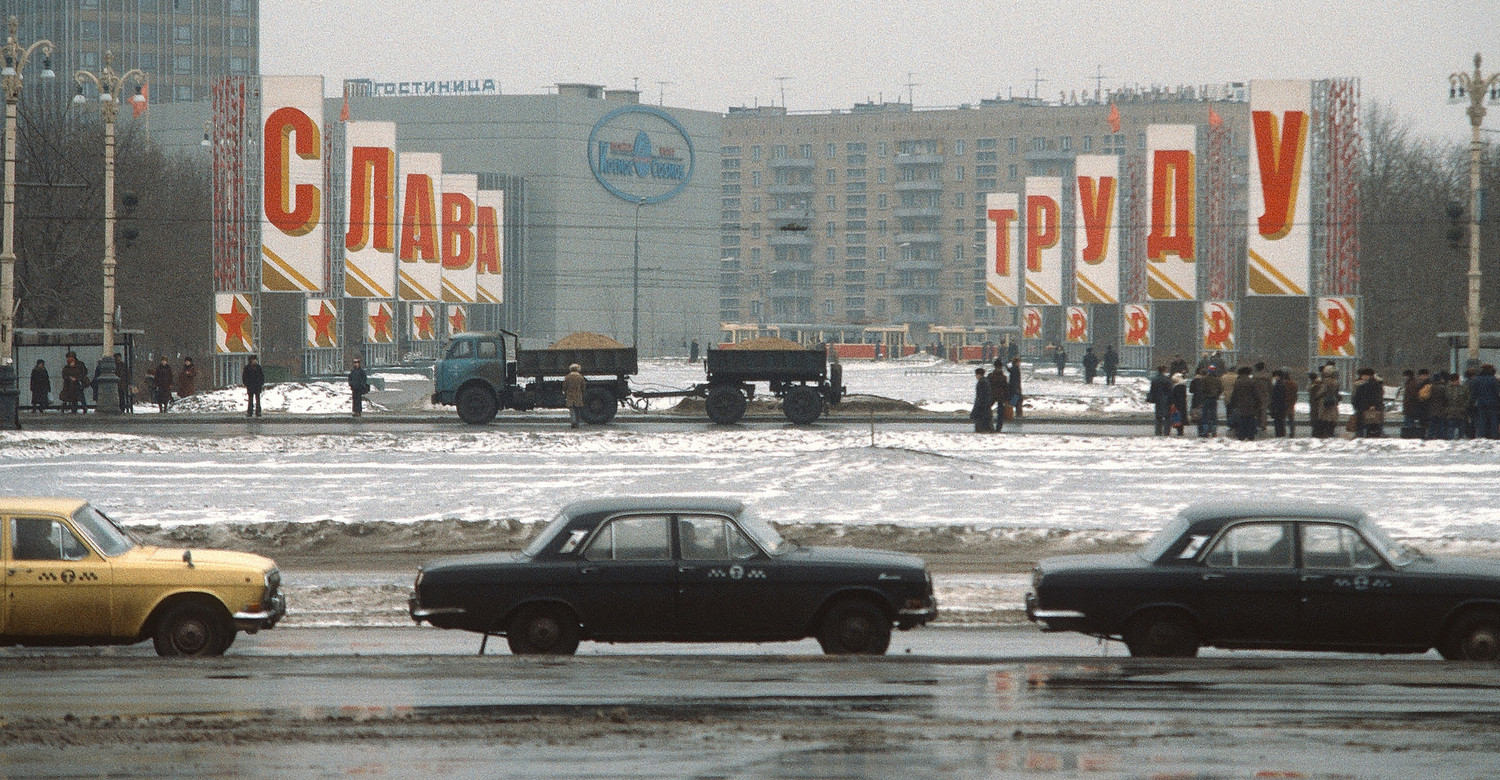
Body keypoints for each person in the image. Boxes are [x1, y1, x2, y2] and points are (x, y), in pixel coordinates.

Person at [1227, 366, 1263, 441]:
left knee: (1242, 421)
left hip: (1241, 404)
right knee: (1250, 420)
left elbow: (1234, 394)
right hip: (1251, 404)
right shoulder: (1252, 381)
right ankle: (1250, 436)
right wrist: (1258, 404)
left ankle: (1241, 436)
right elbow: (1256, 394)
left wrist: (1232, 404)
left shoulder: (1238, 382)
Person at [1351, 368, 1385, 438]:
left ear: (1368, 376)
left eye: (1363, 375)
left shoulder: (1371, 384)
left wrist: (1372, 405)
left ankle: (1364, 436)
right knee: (1372, 425)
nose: (1362, 377)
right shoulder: (1373, 384)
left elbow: (1375, 396)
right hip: (1366, 407)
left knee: (1368, 425)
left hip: (1368, 408)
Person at [1470, 364, 1500, 440]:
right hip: (1493, 404)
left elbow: (1473, 393)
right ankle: (1494, 437)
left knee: (1482, 421)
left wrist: (1471, 403)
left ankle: (1481, 437)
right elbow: (1497, 393)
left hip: (1481, 403)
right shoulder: (1494, 380)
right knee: (1493, 421)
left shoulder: (1476, 380)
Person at [1309, 368, 1340, 438]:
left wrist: (1317, 396)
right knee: (1332, 417)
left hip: (1324, 401)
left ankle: (1323, 433)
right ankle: (1331, 432)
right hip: (1333, 401)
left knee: (1323, 417)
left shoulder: (1324, 382)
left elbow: (1322, 391)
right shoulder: (1335, 382)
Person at [1444, 371, 1470, 440]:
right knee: (1453, 428)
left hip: (1457, 411)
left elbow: (1467, 398)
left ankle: (1456, 440)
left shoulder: (1448, 388)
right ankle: (1453, 440)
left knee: (1457, 428)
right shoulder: (1462, 388)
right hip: (1455, 412)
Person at [987, 359, 1011, 433]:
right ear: (1001, 367)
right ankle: (998, 428)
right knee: (1000, 413)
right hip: (1001, 395)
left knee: (987, 410)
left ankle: (989, 426)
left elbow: (987, 386)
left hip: (992, 395)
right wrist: (1007, 399)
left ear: (994, 366)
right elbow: (1006, 388)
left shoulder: (990, 376)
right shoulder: (1003, 377)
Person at [1147, 366, 1172, 436]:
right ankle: (1166, 432)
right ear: (1164, 371)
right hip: (1166, 399)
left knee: (1158, 416)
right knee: (1167, 416)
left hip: (1157, 399)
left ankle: (1158, 431)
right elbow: (1170, 391)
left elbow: (1152, 390)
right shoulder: (1167, 379)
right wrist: (1172, 401)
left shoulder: (1154, 379)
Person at [1198, 367, 1222, 437]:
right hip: (1214, 399)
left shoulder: (1204, 379)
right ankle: (1214, 432)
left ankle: (1205, 432)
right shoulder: (1217, 380)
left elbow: (1202, 390)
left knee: (1205, 415)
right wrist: (1217, 396)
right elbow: (1220, 389)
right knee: (1214, 415)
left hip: (1206, 399)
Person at [1426, 372, 1449, 440]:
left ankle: (1430, 436)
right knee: (1441, 424)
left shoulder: (1430, 388)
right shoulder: (1443, 388)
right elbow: (1446, 399)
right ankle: (1441, 437)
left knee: (1432, 425)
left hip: (1432, 409)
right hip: (1441, 409)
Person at [563, 363, 586, 429]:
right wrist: (582, 393)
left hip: (570, 394)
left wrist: (565, 392)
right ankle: (577, 423)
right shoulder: (580, 376)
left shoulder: (568, 376)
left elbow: (564, 386)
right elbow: (583, 386)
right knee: (578, 409)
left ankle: (573, 421)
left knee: (572, 409)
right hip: (578, 394)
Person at [970, 367, 993, 432]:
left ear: (979, 374)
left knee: (981, 422)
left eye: (976, 375)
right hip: (986, 404)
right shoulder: (985, 381)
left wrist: (976, 407)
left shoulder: (981, 382)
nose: (976, 376)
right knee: (987, 422)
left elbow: (980, 396)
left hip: (982, 405)